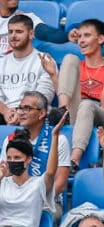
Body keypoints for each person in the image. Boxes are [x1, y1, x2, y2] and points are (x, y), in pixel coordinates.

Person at [0, 118, 65, 227]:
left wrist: (55, 136)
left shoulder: (39, 184)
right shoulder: (0, 181)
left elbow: (51, 172)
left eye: (17, 157)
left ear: (28, 159)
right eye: (9, 158)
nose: (12, 161)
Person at [54, 19, 104, 170]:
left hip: (101, 112)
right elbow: (65, 88)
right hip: (78, 113)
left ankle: (74, 158)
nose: (82, 41)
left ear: (101, 39)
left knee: (87, 105)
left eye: (87, 35)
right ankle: (63, 112)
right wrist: (52, 75)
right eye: (80, 36)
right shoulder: (76, 66)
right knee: (69, 58)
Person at [0, 15, 56, 125]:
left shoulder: (45, 61)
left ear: (31, 34)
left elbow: (44, 96)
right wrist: (6, 111)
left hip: (35, 112)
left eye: (19, 31)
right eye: (10, 32)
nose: (13, 36)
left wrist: (21, 113)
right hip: (8, 113)